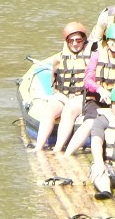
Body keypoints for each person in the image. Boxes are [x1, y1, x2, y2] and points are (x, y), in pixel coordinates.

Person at [62, 22, 115, 157]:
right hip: (95, 99)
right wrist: (100, 89)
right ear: (108, 40)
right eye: (113, 40)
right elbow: (88, 79)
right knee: (90, 122)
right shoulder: (97, 55)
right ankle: (67, 154)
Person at [26, 21, 90, 151]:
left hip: (81, 96)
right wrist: (56, 95)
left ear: (84, 40)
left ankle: (58, 149)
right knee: (50, 111)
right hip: (64, 94)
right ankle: (38, 147)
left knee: (69, 111)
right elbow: (54, 80)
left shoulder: (91, 57)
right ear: (67, 42)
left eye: (78, 40)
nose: (75, 43)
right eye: (71, 41)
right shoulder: (59, 59)